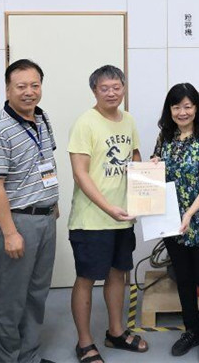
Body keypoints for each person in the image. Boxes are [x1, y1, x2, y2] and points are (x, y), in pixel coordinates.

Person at [67, 65, 149, 363]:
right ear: (94, 91)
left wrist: (145, 185)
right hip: (91, 219)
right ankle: (85, 342)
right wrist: (108, 207)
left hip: (122, 217)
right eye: (105, 88)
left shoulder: (128, 120)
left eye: (117, 87)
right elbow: (80, 174)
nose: (112, 93)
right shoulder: (85, 123)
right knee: (86, 278)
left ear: (123, 88)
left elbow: (135, 157)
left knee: (118, 274)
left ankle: (116, 332)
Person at [0, 59, 59, 363]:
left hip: (45, 218)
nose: (29, 92)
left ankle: (29, 356)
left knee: (37, 294)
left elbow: (45, 162)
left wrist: (52, 202)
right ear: (8, 89)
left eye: (35, 85)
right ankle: (7, 359)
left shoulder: (41, 117)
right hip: (18, 222)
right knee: (11, 300)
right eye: (21, 86)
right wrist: (10, 233)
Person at [152, 83, 199, 363]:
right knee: (183, 278)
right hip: (171, 220)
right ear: (169, 110)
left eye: (187, 106)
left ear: (196, 108)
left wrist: (190, 213)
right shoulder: (165, 137)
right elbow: (158, 173)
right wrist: (153, 165)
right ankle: (191, 330)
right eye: (176, 107)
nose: (182, 112)